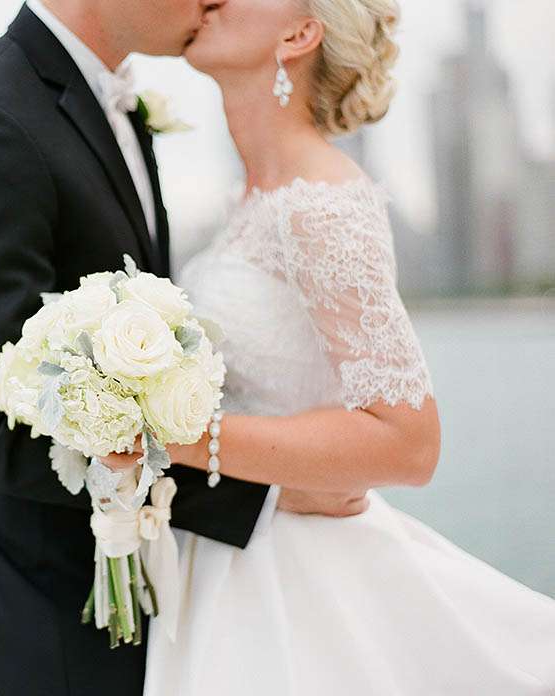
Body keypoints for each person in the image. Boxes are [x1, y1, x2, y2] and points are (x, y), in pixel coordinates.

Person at [0, 1, 359, 693]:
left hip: (146, 591)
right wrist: (260, 493)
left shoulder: (113, 109)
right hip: (41, 602)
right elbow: (2, 430)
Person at [99, 0, 555, 692]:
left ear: (300, 34)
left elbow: (407, 441)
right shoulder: (253, 196)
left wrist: (172, 436)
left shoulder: (323, 201)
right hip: (229, 560)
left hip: (303, 580)